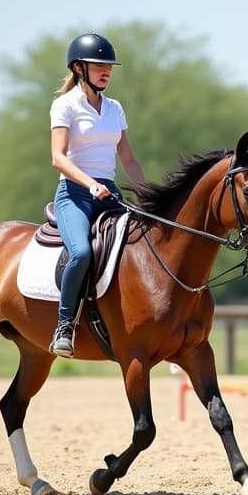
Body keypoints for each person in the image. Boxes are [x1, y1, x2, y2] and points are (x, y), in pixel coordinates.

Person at [48, 33, 147, 357]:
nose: (107, 71)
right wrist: (89, 183)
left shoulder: (114, 109)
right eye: (99, 65)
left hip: (110, 193)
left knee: (143, 248)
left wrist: (147, 195)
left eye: (109, 66)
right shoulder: (65, 106)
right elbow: (58, 157)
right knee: (80, 254)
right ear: (79, 68)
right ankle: (64, 325)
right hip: (74, 194)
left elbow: (129, 159)